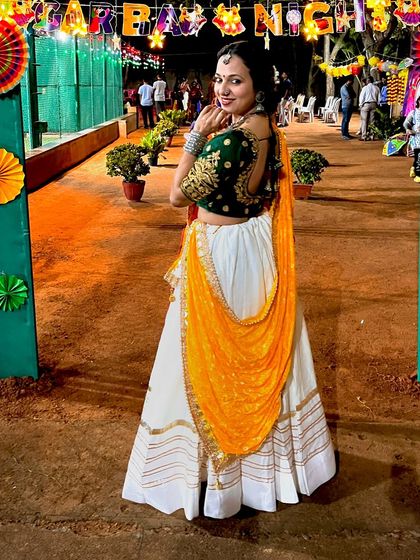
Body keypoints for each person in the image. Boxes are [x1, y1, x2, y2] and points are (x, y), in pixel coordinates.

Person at [122, 40, 336, 520]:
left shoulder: (230, 141)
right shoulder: (266, 129)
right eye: (219, 79)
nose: (222, 89)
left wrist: (195, 137)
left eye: (235, 80)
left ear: (258, 85)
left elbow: (178, 196)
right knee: (248, 360)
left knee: (207, 360)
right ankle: (264, 474)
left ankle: (219, 477)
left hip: (222, 256)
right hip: (252, 248)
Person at [403, 96, 420, 183]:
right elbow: (406, 123)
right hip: (416, 138)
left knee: (418, 157)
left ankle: (414, 168)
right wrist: (408, 130)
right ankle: (418, 175)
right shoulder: (413, 113)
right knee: (418, 156)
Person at [358, 76, 380, 141]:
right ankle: (372, 136)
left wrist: (360, 105)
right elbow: (379, 98)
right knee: (372, 121)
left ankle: (364, 136)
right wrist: (378, 104)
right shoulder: (377, 88)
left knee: (364, 120)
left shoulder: (365, 88)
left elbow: (362, 97)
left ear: (368, 81)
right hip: (374, 104)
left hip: (366, 104)